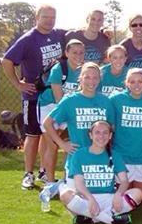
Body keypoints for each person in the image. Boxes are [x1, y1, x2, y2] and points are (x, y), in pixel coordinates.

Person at [2, 5, 64, 189]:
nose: (49, 20)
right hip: (33, 96)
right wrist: (18, 84)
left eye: (53, 17)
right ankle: (28, 174)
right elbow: (7, 61)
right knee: (33, 135)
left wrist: (104, 32)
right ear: (37, 17)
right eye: (45, 17)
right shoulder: (28, 39)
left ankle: (44, 172)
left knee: (47, 135)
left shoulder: (57, 35)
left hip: (50, 96)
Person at [43, 63, 115, 191]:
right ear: (80, 78)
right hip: (77, 157)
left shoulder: (106, 101)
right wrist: (62, 144)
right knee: (76, 201)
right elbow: (47, 123)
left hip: (100, 159)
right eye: (87, 77)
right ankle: (60, 187)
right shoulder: (70, 100)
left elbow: (112, 128)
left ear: (100, 79)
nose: (91, 81)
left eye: (95, 78)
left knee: (97, 199)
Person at [59, 120, 142, 224]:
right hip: (87, 199)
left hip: (109, 199)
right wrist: (90, 198)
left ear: (110, 135)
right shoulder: (79, 155)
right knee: (65, 195)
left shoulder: (115, 155)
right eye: (97, 132)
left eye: (105, 133)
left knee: (138, 193)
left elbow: (124, 181)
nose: (101, 136)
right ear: (90, 135)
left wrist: (118, 193)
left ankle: (90, 218)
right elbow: (79, 184)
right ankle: (110, 219)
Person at [36, 39, 85, 184]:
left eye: (81, 52)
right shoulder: (59, 68)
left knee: (72, 143)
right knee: (52, 144)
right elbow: (59, 99)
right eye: (74, 52)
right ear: (66, 53)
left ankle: (68, 178)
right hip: (49, 106)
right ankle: (50, 182)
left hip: (67, 108)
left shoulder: (84, 70)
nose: (78, 55)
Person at [110, 68, 142, 199]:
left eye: (140, 81)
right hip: (122, 155)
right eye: (132, 82)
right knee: (124, 195)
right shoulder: (116, 99)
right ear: (127, 83)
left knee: (140, 197)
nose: (136, 85)